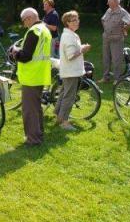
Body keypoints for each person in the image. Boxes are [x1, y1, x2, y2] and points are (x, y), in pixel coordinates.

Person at [13, 8, 52, 146]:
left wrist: (15, 52)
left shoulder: (34, 31)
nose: (24, 25)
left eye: (24, 21)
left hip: (32, 76)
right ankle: (38, 134)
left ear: (29, 18)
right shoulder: (45, 29)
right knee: (36, 108)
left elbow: (26, 56)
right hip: (40, 74)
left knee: (29, 110)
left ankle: (33, 139)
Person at [55, 11, 91, 131]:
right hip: (70, 72)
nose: (77, 22)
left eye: (77, 19)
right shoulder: (69, 36)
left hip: (69, 71)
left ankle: (59, 117)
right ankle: (64, 122)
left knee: (64, 94)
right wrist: (83, 49)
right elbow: (71, 55)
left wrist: (80, 48)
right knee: (69, 97)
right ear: (67, 23)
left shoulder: (71, 34)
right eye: (73, 20)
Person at [99, 0, 130, 83]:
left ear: (115, 3)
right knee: (106, 58)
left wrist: (124, 29)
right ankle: (105, 77)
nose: (107, 3)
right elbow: (103, 19)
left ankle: (117, 79)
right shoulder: (109, 10)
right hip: (106, 38)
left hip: (116, 38)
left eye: (109, 2)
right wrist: (106, 29)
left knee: (116, 59)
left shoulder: (122, 12)